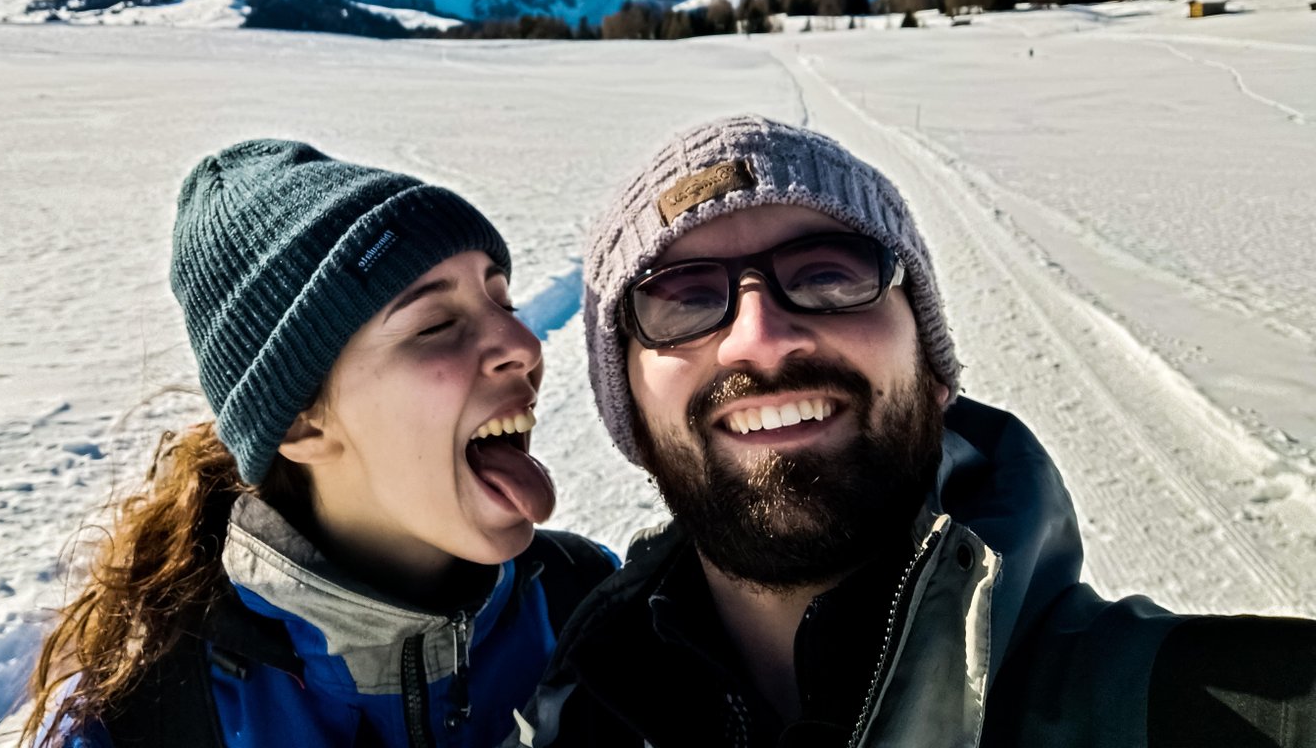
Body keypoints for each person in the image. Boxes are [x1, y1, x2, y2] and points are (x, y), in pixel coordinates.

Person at [514, 115, 1315, 747]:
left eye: (829, 274)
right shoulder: (574, 708)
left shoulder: (1211, 704)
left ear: (934, 369)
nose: (761, 338)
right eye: (681, 299)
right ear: (632, 415)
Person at [19, 139, 615, 748]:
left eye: (503, 301)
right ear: (302, 422)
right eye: (436, 325)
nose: (523, 343)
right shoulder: (152, 718)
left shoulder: (595, 609)